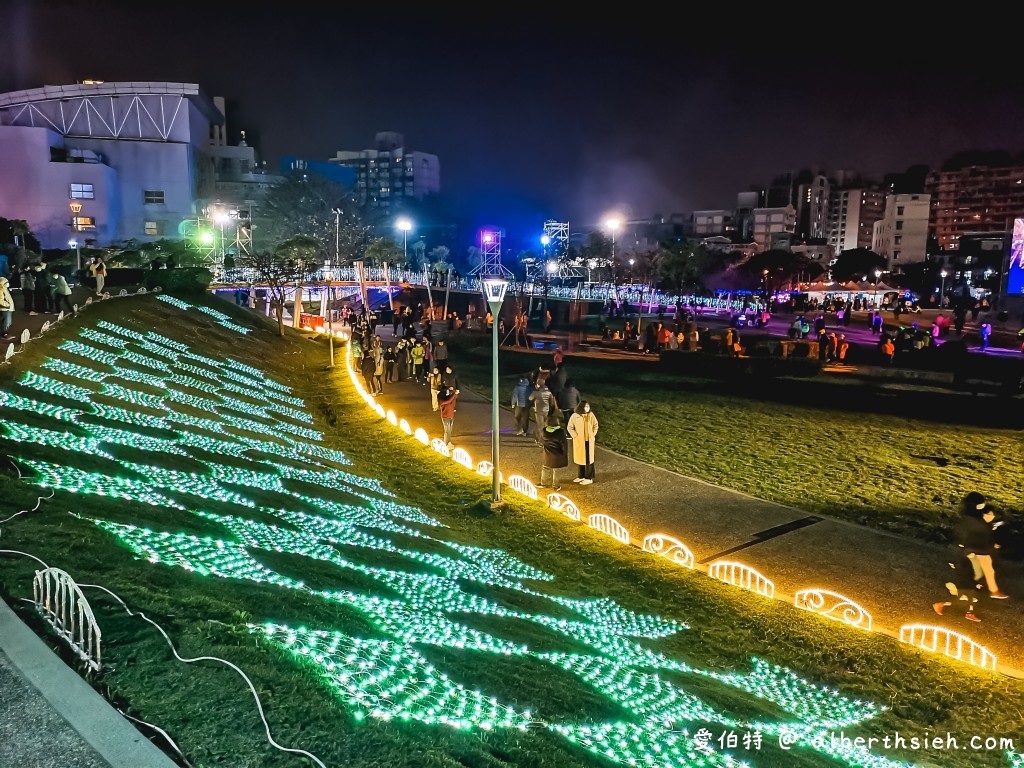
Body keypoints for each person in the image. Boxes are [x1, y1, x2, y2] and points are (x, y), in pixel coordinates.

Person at [954, 492, 1008, 599]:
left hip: (974, 546)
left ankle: (989, 590)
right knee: (981, 569)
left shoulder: (968, 514)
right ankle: (986, 591)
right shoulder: (974, 518)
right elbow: (982, 529)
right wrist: (990, 524)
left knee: (984, 568)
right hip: (976, 547)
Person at [566, 400, 599, 485]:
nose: (587, 408)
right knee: (580, 459)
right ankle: (581, 476)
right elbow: (570, 427)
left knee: (589, 459)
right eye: (586, 406)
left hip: (589, 441)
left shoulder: (591, 415)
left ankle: (589, 477)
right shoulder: (575, 416)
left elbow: (596, 425)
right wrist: (575, 436)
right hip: (580, 441)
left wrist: (593, 435)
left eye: (588, 406)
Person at [539, 412, 569, 491]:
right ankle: (556, 486)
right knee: (556, 470)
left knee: (545, 468)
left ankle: (543, 483)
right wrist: (564, 453)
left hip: (548, 454)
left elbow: (542, 441)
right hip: (558, 455)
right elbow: (564, 444)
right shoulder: (561, 432)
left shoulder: (544, 431)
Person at [528, 378, 553, 445]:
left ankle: (539, 440)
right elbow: (551, 402)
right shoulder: (548, 392)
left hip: (538, 411)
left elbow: (530, 398)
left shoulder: (536, 392)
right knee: (545, 425)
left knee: (540, 426)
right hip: (546, 410)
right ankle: (545, 438)